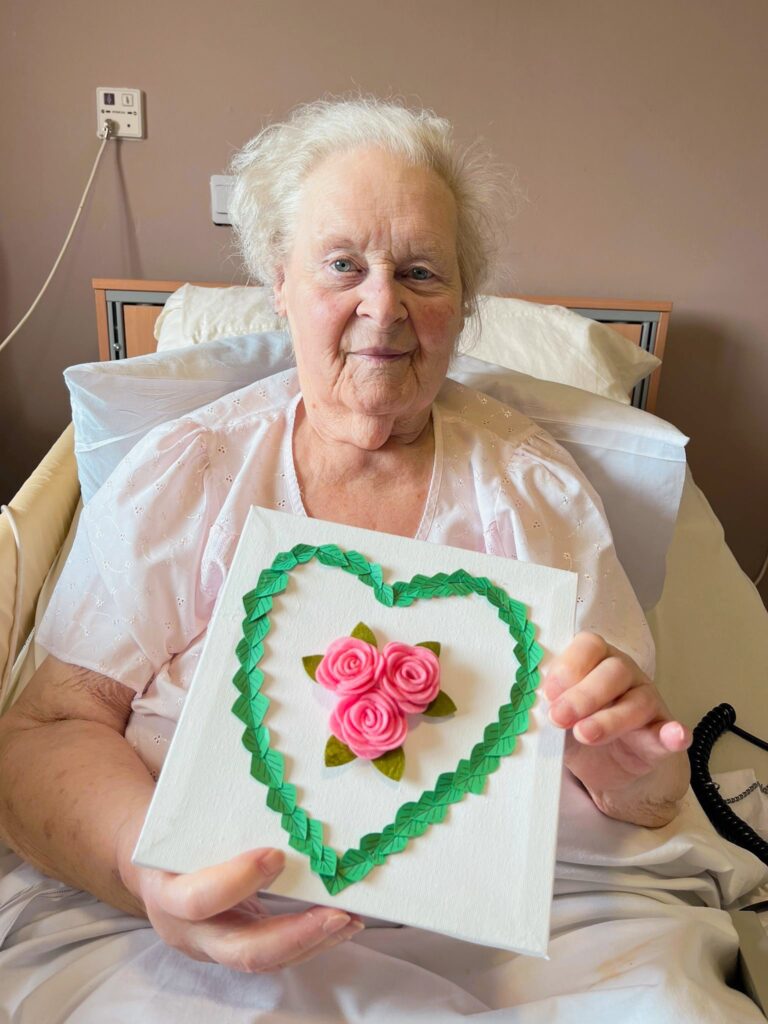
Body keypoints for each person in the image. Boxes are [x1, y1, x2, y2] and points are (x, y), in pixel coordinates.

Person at [0, 98, 764, 1022]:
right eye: (342, 265)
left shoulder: (531, 489)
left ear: (462, 307)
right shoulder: (190, 471)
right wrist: (149, 871)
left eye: (420, 272)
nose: (383, 304)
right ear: (279, 282)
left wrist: (630, 760)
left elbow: (642, 789)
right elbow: (48, 729)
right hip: (208, 911)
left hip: (530, 922)